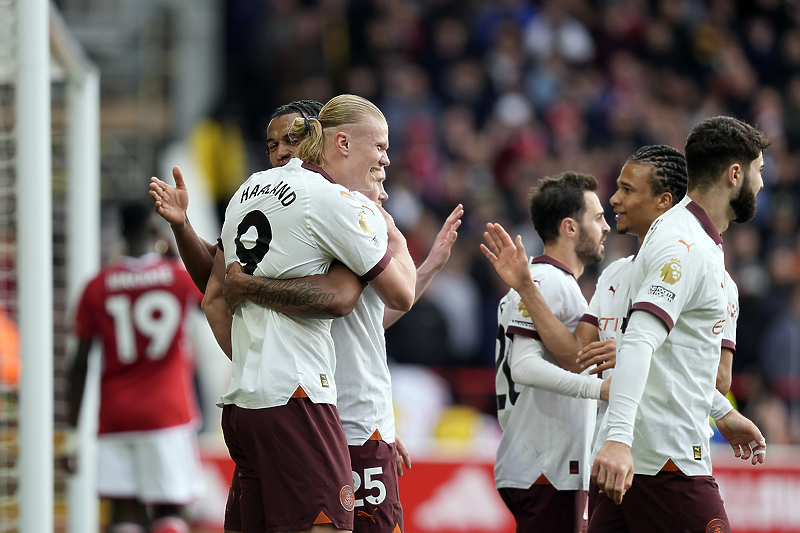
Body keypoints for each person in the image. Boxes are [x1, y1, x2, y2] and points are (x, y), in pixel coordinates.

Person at [481, 145, 740, 521]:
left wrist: (722, 410)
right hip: (601, 460)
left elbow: (717, 379)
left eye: (627, 190)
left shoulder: (708, 272)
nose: (614, 202)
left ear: (663, 201)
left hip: (657, 456)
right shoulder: (612, 275)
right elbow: (576, 358)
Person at [216, 94, 418, 533]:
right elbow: (396, 293)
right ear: (342, 142)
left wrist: (248, 292)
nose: (386, 158)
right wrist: (392, 232)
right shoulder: (336, 202)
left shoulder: (245, 192)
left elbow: (215, 294)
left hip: (244, 400)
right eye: (380, 147)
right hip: (299, 396)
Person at [224, 167, 463, 533]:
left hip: (347, 418)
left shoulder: (347, 241)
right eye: (377, 178)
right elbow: (356, 302)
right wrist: (398, 239)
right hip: (336, 418)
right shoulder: (344, 231)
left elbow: (370, 322)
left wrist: (428, 266)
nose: (383, 194)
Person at [589, 116, 770, 532]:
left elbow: (670, 356)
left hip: (640, 459)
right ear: (735, 173)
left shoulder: (678, 235)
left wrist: (721, 412)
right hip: (665, 461)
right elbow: (637, 342)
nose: (762, 184)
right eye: (759, 171)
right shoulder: (685, 245)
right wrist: (618, 438)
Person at [485, 171, 612, 533]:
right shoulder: (546, 281)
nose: (605, 228)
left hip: (543, 462)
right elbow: (524, 366)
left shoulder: (550, 281)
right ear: (570, 227)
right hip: (545, 466)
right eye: (598, 217)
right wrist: (597, 388)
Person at [68, 202, 204, 533]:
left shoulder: (96, 286)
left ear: (122, 233)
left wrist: (72, 435)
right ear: (154, 231)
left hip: (116, 415)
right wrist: (175, 252)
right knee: (171, 508)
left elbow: (79, 364)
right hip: (167, 411)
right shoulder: (178, 278)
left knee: (124, 509)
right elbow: (213, 302)